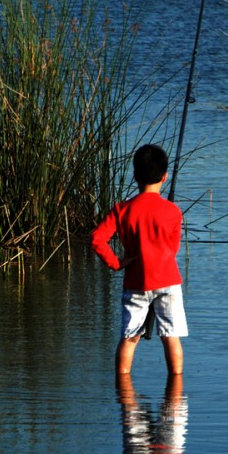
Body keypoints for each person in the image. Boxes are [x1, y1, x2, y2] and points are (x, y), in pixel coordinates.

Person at [91, 144, 187, 375]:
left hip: (135, 282)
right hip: (168, 282)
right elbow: (172, 250)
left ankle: (123, 389)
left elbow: (97, 239)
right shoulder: (173, 211)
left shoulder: (122, 209)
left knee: (130, 337)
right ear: (165, 177)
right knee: (171, 337)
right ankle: (175, 392)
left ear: (134, 176)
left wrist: (117, 263)